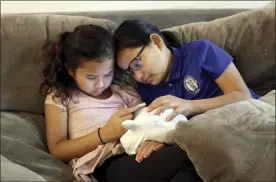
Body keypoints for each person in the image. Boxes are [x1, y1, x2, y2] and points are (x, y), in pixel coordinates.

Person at [40, 24, 202, 182]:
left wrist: (152, 140)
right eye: (91, 77)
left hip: (138, 153)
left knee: (190, 171)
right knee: (192, 153)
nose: (101, 84)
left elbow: (145, 121)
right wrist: (105, 134)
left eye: (108, 74)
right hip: (105, 163)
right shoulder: (61, 96)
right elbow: (57, 149)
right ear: (71, 70)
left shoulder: (124, 91)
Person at [113, 20, 260, 121]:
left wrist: (190, 106)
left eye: (137, 64)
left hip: (250, 115)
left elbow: (243, 96)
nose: (138, 76)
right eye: (130, 72)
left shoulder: (200, 52)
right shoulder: (146, 90)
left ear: (157, 42)